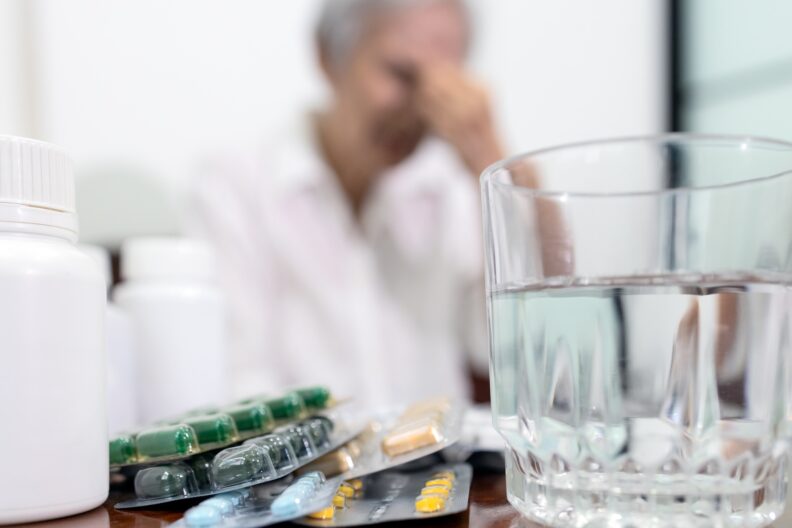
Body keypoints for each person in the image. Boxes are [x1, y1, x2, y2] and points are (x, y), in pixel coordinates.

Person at [190, 0, 505, 408]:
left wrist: (501, 173)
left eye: (448, 85)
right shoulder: (234, 190)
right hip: (305, 469)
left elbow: (514, 352)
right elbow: (238, 382)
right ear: (327, 56)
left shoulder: (457, 190)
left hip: (444, 469)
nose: (423, 109)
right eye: (402, 74)